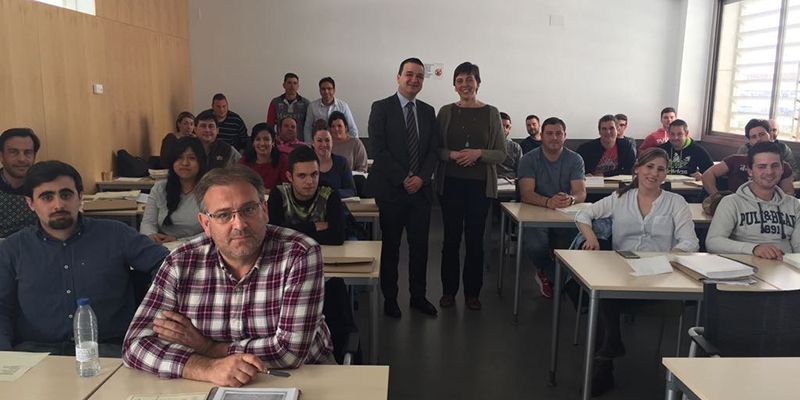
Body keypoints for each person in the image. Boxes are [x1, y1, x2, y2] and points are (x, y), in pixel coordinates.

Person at [122, 165, 333, 385]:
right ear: (206, 224)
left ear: (265, 210)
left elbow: (290, 351)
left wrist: (206, 347)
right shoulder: (180, 262)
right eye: (223, 215)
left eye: (248, 209)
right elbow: (135, 344)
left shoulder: (300, 253)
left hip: (303, 379)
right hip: (208, 384)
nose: (239, 225)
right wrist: (206, 368)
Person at [0, 161, 168, 355]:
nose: (58, 204)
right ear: (30, 203)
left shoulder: (115, 234)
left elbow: (167, 265)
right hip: (37, 354)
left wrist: (157, 310)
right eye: (47, 197)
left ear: (80, 197)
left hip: (109, 351)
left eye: (66, 194)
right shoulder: (13, 248)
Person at [575, 147, 699, 395]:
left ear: (665, 175)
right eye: (649, 167)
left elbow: (690, 242)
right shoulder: (621, 198)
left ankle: (607, 353)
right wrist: (591, 238)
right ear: (638, 169)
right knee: (600, 291)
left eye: (660, 169)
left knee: (603, 300)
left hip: (661, 276)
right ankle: (605, 363)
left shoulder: (676, 203)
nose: (654, 173)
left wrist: (668, 257)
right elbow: (584, 213)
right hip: (624, 272)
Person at [365, 57, 439, 318]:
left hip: (421, 192)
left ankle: (418, 297)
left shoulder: (428, 111)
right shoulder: (381, 108)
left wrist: (421, 178)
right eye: (409, 74)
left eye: (419, 76)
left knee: (420, 248)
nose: (414, 79)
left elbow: (433, 151)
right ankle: (390, 298)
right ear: (398, 77)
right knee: (391, 247)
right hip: (392, 191)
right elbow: (378, 148)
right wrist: (404, 177)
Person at [434, 62, 505, 310]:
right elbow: (436, 150)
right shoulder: (445, 112)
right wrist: (453, 155)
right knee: (451, 240)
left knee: (475, 241)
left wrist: (478, 154)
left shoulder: (492, 112)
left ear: (478, 83)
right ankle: (448, 291)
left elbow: (501, 154)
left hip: (480, 187)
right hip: (450, 184)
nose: (465, 84)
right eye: (460, 80)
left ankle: (473, 293)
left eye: (470, 79)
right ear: (454, 85)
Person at [518, 117, 587, 298]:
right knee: (535, 246)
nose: (554, 137)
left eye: (559, 133)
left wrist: (571, 199)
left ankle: (560, 279)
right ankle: (554, 275)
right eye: (549, 133)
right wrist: (549, 202)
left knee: (580, 241)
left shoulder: (575, 159)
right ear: (542, 135)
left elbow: (581, 192)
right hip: (536, 212)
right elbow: (526, 193)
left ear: (565, 136)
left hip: (564, 213)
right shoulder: (529, 159)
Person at [706, 141, 800, 259]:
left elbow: (798, 248)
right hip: (746, 270)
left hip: (786, 269)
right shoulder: (731, 203)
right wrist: (754, 249)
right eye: (762, 167)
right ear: (750, 171)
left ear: (782, 169)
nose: (769, 172)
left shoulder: (794, 205)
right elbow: (713, 242)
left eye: (775, 166)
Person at [268, 146, 345, 245]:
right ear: (289, 177)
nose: (309, 182)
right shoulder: (278, 193)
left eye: (314, 174)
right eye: (302, 176)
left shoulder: (329, 193)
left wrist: (289, 230)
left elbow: (337, 237)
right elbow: (274, 236)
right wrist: (314, 226)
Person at [141, 136, 207, 244]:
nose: (185, 163)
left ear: (201, 162)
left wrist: (179, 241)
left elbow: (214, 231)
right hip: (163, 247)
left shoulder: (210, 191)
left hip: (196, 247)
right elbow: (148, 223)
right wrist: (151, 235)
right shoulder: (160, 188)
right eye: (179, 157)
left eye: (191, 158)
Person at [703, 119, 794, 195]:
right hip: (736, 207)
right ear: (749, 141)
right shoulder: (735, 160)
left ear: (769, 135)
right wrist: (716, 197)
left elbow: (788, 193)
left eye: (762, 134)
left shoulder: (782, 166)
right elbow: (708, 174)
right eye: (754, 137)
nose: (758, 139)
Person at [0, 128, 40, 238]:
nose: (22, 159)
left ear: (34, 156)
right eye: (14, 152)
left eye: (28, 153)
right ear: (1, 156)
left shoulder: (44, 187)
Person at [239, 123, 288, 193]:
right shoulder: (244, 161)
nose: (262, 143)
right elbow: (238, 186)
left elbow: (287, 187)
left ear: (273, 142)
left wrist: (267, 192)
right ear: (253, 142)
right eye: (258, 139)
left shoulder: (283, 160)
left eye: (266, 139)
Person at [312, 126, 356, 199]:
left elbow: (351, 191)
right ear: (313, 143)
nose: (324, 144)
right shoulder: (306, 164)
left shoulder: (342, 163)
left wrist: (332, 193)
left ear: (332, 142)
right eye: (319, 140)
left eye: (327, 140)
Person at [266, 73, 310, 141]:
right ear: (284, 85)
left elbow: (309, 126)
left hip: (300, 143)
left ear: (298, 86)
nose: (292, 86)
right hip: (280, 144)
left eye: (295, 83)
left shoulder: (306, 103)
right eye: (289, 83)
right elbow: (269, 125)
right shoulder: (275, 102)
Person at [497, 112, 522, 180]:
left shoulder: (515, 147)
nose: (504, 129)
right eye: (502, 126)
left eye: (507, 127)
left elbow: (521, 170)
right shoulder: (487, 144)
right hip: (492, 181)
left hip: (511, 181)